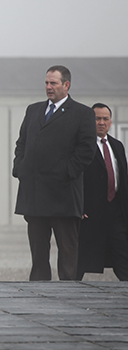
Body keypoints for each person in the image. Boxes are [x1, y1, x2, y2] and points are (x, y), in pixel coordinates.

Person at [13, 65, 96, 281]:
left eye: (53, 83)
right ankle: (39, 293)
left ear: (66, 85)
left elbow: (87, 150)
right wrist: (20, 168)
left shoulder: (82, 113)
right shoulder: (33, 110)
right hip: (34, 194)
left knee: (67, 253)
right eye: (47, 83)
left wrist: (65, 172)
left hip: (64, 196)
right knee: (38, 254)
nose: (49, 87)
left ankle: (68, 294)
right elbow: (22, 143)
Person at [77, 103, 128, 281]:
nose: (101, 122)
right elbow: (75, 177)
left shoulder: (117, 146)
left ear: (111, 122)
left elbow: (123, 178)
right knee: (81, 259)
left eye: (105, 119)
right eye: (97, 118)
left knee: (122, 254)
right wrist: (78, 206)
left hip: (115, 211)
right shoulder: (81, 146)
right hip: (90, 212)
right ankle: (69, 292)